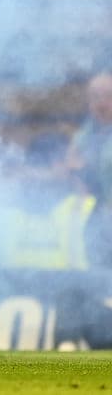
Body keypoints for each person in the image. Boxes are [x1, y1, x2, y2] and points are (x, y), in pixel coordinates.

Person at [65, 71, 112, 268]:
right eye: (95, 97)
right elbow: (71, 171)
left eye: (108, 96)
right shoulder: (82, 137)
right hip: (96, 220)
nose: (101, 103)